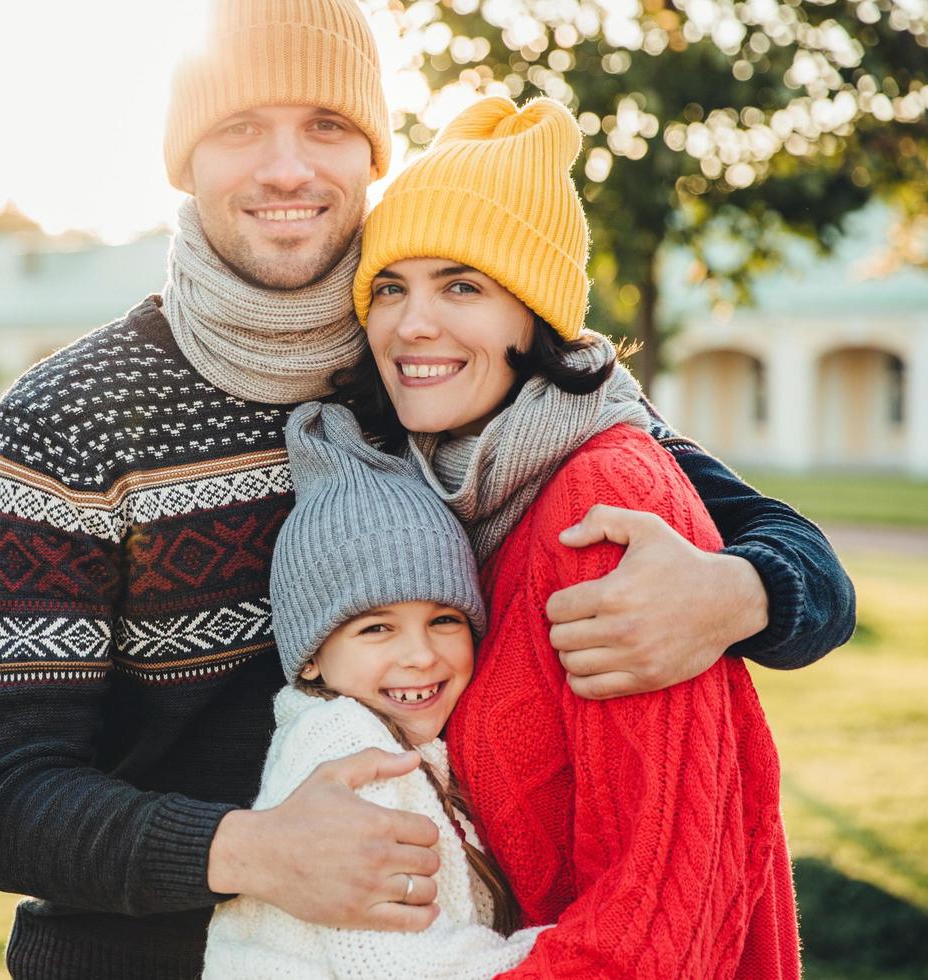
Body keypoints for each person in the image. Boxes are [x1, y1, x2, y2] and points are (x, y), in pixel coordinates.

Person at [0, 1, 850, 976]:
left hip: (437, 944)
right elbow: (10, 799)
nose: (289, 167)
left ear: (372, 155)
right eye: (240, 128)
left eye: (327, 126)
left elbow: (795, 559)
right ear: (185, 161)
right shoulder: (71, 413)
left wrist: (741, 590)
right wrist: (257, 850)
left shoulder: (430, 364)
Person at [347, 93, 800, 976]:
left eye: (463, 286)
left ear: (535, 316)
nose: (412, 324)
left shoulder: (602, 498)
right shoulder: (438, 493)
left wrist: (751, 588)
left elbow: (668, 919)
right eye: (391, 287)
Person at [202, 399, 549, 978]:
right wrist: (578, 947)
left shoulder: (406, 739)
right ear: (311, 657)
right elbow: (398, 962)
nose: (419, 655)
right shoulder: (346, 747)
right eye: (377, 628)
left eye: (445, 620)